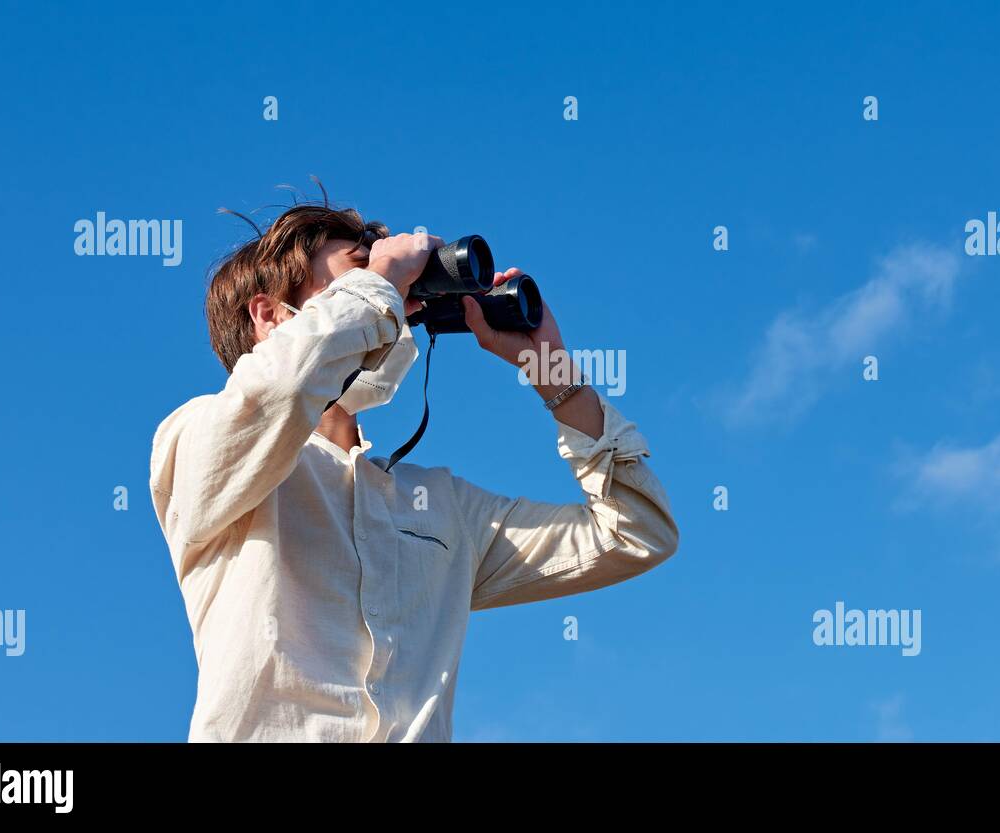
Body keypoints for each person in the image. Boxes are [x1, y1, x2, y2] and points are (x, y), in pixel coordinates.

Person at [149, 199, 679, 741]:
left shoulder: (439, 505)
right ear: (270, 317)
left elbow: (635, 533)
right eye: (360, 277)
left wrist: (553, 371)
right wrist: (379, 283)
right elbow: (278, 392)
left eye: (400, 298)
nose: (395, 312)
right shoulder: (196, 440)